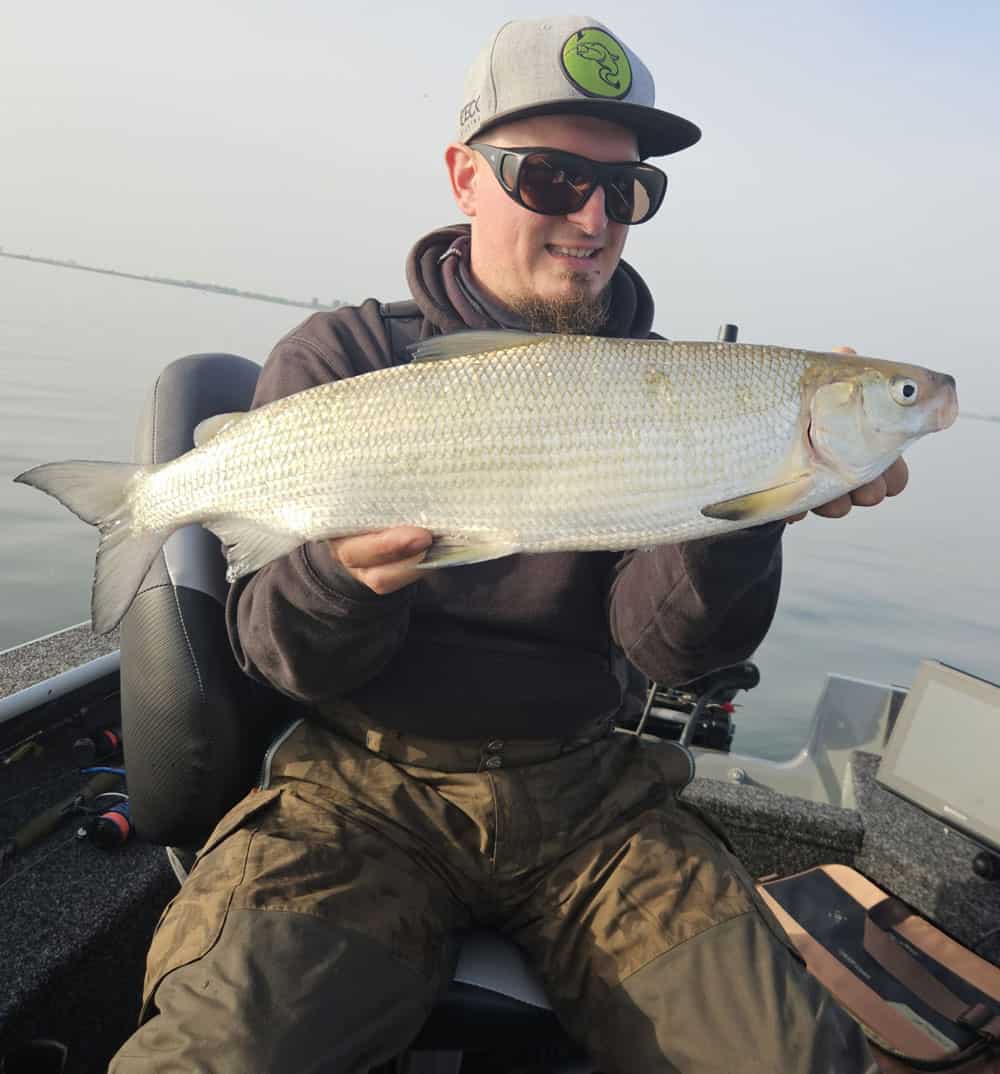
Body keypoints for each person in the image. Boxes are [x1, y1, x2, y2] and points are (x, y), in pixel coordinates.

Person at [110, 15, 903, 1073]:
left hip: (591, 800)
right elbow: (276, 655)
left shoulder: (682, 392)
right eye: (548, 177)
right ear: (465, 177)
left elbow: (669, 653)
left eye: (625, 191)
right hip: (359, 791)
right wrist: (345, 578)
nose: (592, 217)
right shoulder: (343, 356)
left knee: (798, 1061)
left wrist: (745, 517)